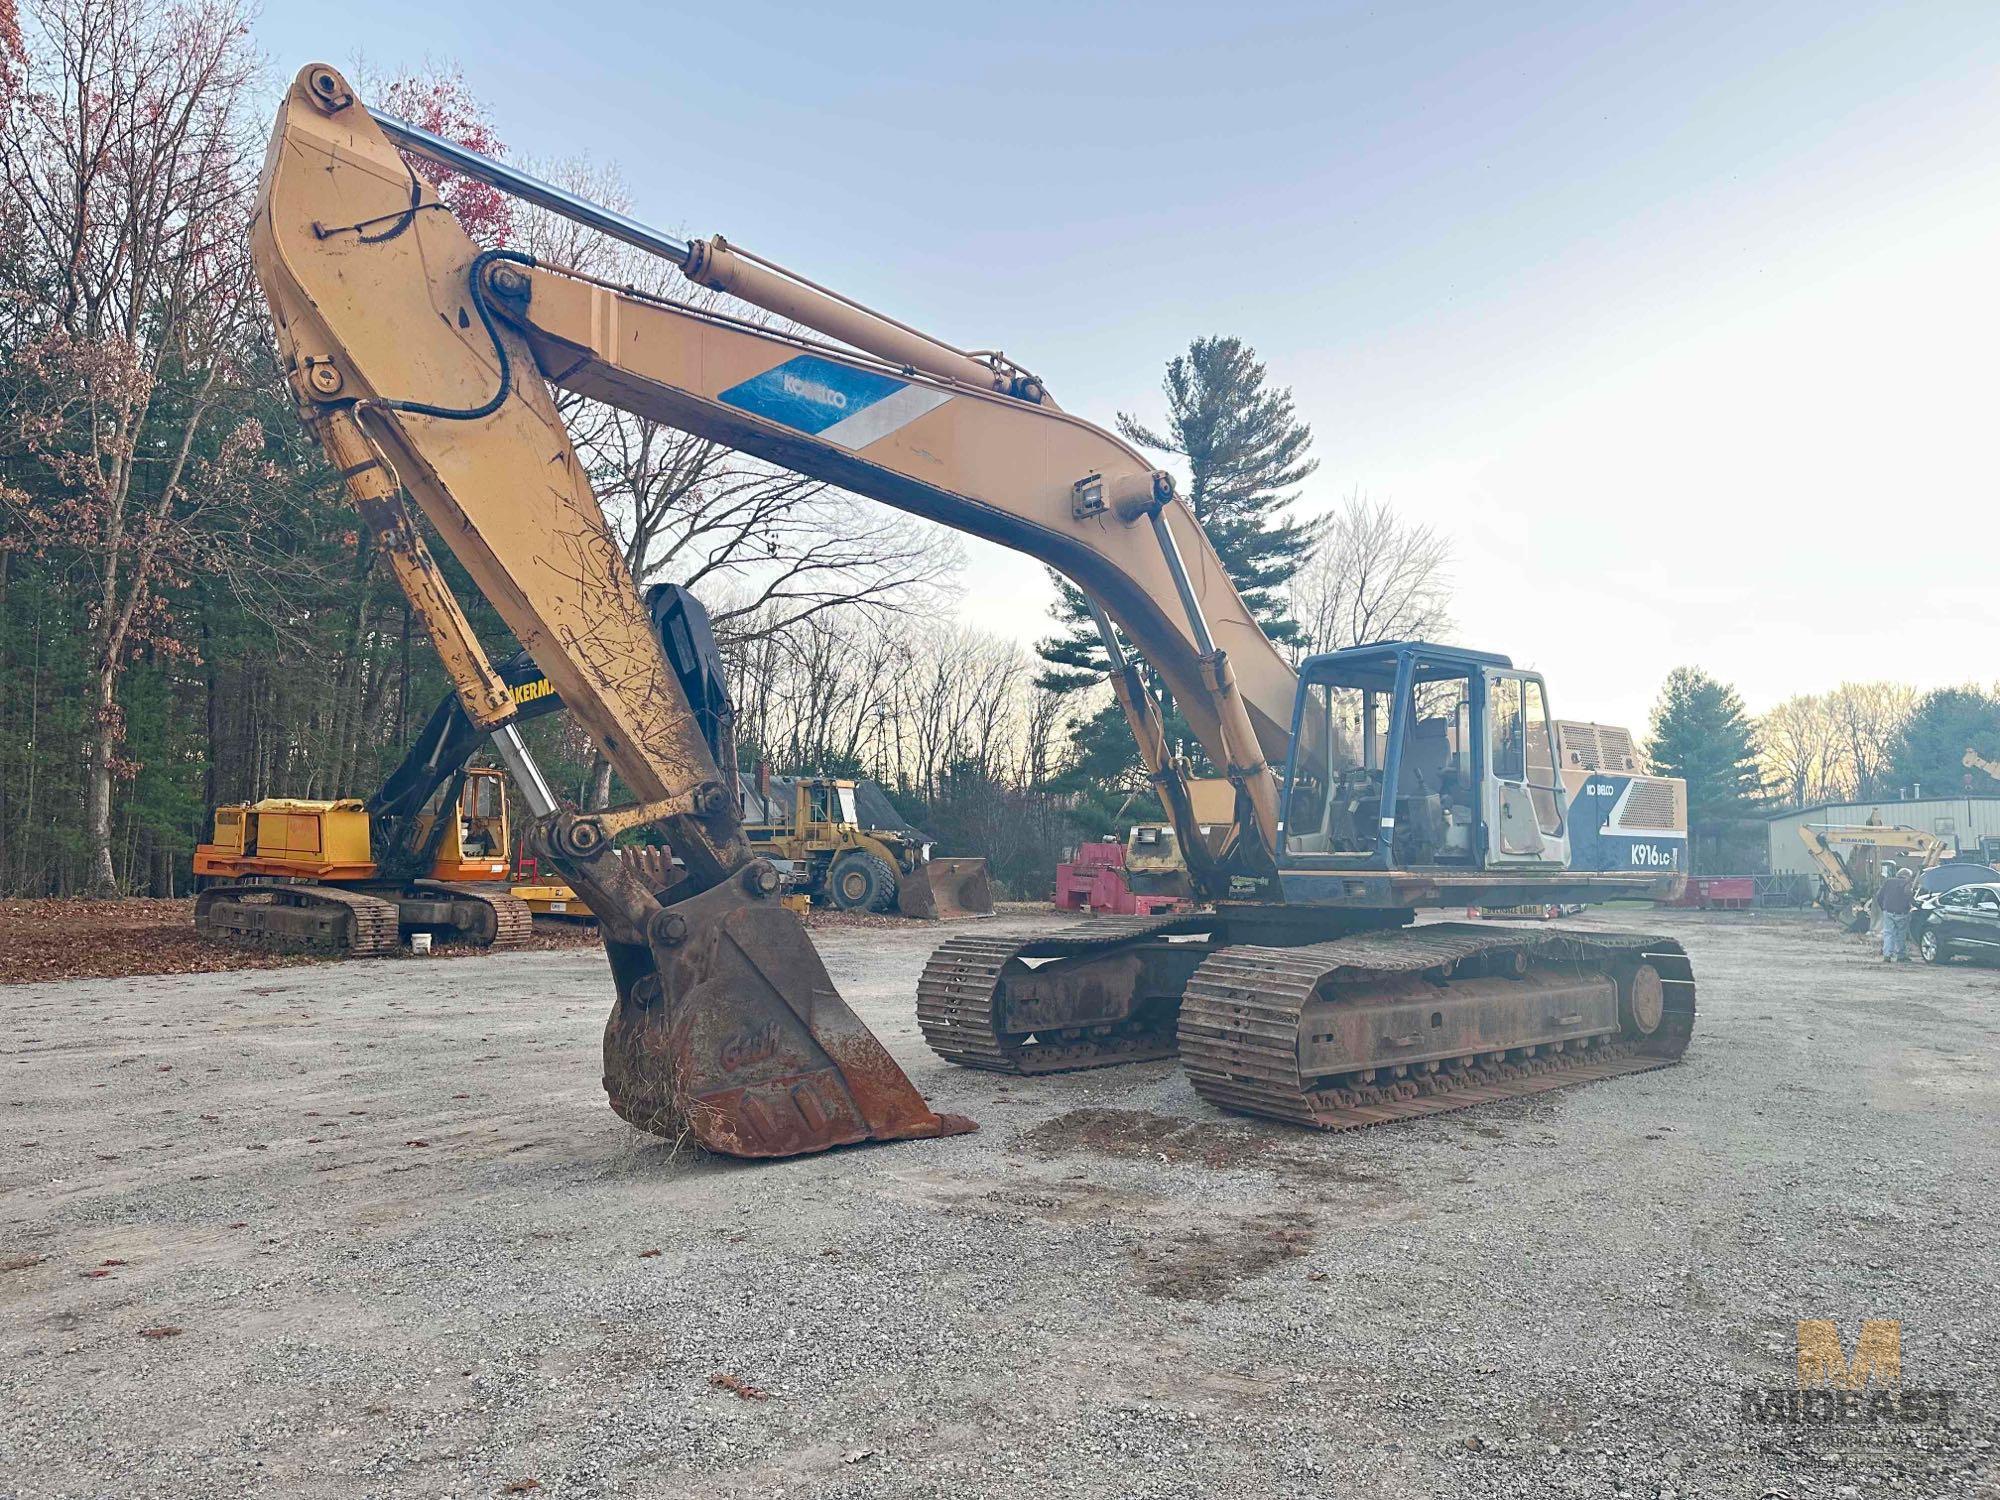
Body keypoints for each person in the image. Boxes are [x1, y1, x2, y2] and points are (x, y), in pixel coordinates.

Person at [1878, 866, 1916, 962]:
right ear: (1908, 876)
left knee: (1888, 933)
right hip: (1902, 913)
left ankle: (1887, 955)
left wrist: (1883, 908)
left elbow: (1879, 896)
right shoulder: (1907, 883)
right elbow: (1909, 896)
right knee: (1901, 934)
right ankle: (1901, 955)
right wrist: (1913, 905)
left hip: (1888, 912)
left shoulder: (1888, 882)